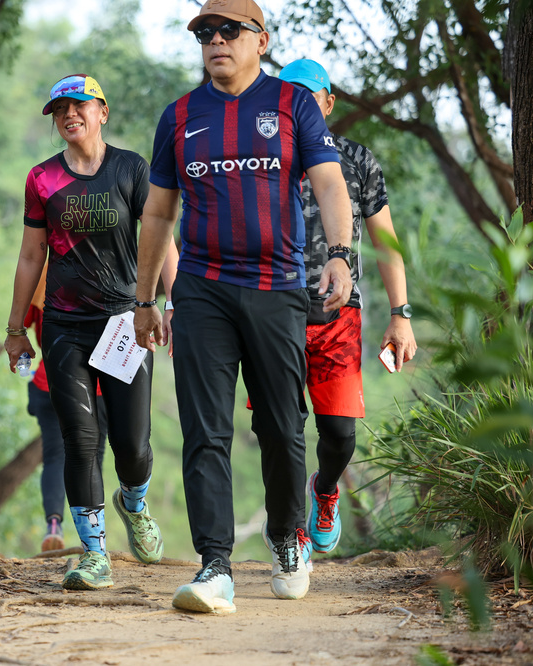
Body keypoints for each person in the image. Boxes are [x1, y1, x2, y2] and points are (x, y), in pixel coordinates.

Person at [133, 0, 354, 612]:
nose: (216, 40)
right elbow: (158, 212)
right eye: (205, 32)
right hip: (200, 289)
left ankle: (287, 539)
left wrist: (340, 254)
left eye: (230, 30)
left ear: (261, 40)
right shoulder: (180, 116)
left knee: (281, 425)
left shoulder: (292, 104)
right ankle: (215, 566)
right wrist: (146, 297)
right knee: (205, 429)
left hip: (276, 288)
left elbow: (330, 182)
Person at [5, 73, 179, 590]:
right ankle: (94, 553)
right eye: (59, 110)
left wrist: (176, 304)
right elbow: (31, 255)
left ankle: (135, 503)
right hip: (64, 327)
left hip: (127, 321)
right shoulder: (42, 179)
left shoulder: (131, 168)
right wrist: (15, 328)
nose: (69, 115)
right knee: (80, 441)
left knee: (132, 444)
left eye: (78, 105)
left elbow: (161, 238)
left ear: (102, 111)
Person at [275, 58, 417, 559]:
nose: (298, 107)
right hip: (274, 311)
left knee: (339, 433)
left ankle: (325, 490)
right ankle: (290, 531)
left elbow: (385, 241)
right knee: (282, 429)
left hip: (338, 315)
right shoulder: (264, 160)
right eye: (288, 98)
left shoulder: (355, 160)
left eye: (309, 97)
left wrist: (400, 314)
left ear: (329, 103)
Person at [23, 267, 109, 553]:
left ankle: (53, 526)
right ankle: (94, 537)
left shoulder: (43, 274)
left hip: (49, 381)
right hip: (97, 388)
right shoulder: (105, 270)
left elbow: (23, 324)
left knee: (55, 456)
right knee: (93, 457)